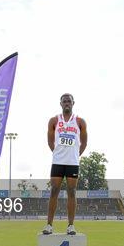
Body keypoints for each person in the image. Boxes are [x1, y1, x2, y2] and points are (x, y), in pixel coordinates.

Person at [42, 94, 87, 235]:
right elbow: (50, 141)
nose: (67, 103)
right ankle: (49, 225)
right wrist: (57, 153)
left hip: (72, 163)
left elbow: (84, 142)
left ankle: (71, 225)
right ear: (60, 103)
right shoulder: (54, 121)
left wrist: (75, 155)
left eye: (69, 101)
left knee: (72, 192)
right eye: (64, 101)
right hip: (58, 162)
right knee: (54, 190)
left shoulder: (80, 121)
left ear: (73, 103)